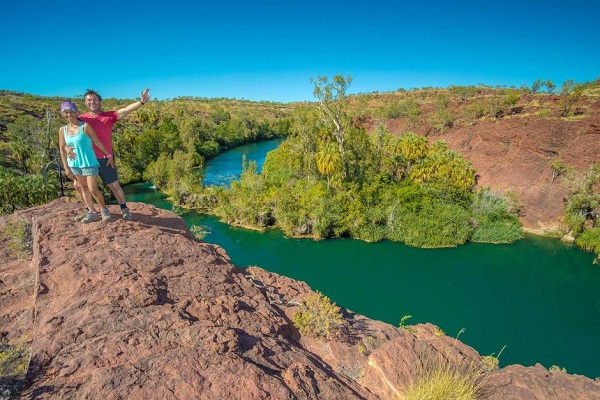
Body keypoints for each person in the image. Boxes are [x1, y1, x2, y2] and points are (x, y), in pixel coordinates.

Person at [69, 88, 151, 220]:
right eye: (89, 100)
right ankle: (89, 210)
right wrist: (68, 150)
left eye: (95, 99)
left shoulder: (108, 116)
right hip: (87, 160)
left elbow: (125, 110)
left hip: (105, 159)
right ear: (85, 103)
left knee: (114, 185)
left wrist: (141, 102)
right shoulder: (81, 119)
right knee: (80, 186)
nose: (92, 102)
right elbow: (70, 135)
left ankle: (124, 208)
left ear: (99, 101)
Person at [58, 100, 112, 223]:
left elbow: (97, 142)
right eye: (65, 112)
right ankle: (92, 212)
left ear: (76, 112)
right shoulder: (62, 130)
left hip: (89, 162)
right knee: (83, 188)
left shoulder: (85, 126)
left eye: (71, 111)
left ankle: (104, 209)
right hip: (75, 164)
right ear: (62, 114)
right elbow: (62, 149)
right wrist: (66, 167)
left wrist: (108, 155)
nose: (68, 114)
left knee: (93, 189)